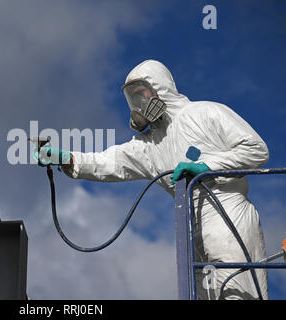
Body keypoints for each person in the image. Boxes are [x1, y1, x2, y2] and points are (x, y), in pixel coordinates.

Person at [34, 59, 269, 300]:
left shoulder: (205, 113)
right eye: (133, 98)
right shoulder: (149, 146)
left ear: (160, 87)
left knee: (238, 294)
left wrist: (206, 167)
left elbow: (256, 149)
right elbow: (110, 161)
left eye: (141, 93)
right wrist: (67, 159)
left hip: (228, 213)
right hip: (191, 229)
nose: (138, 103)